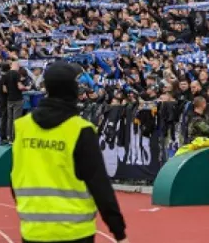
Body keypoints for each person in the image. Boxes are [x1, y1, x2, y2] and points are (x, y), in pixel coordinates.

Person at [10, 60, 128, 243]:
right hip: (75, 231)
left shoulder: (22, 126)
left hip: (34, 230)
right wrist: (118, 231)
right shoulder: (80, 129)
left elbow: (15, 175)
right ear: (72, 89)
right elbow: (99, 184)